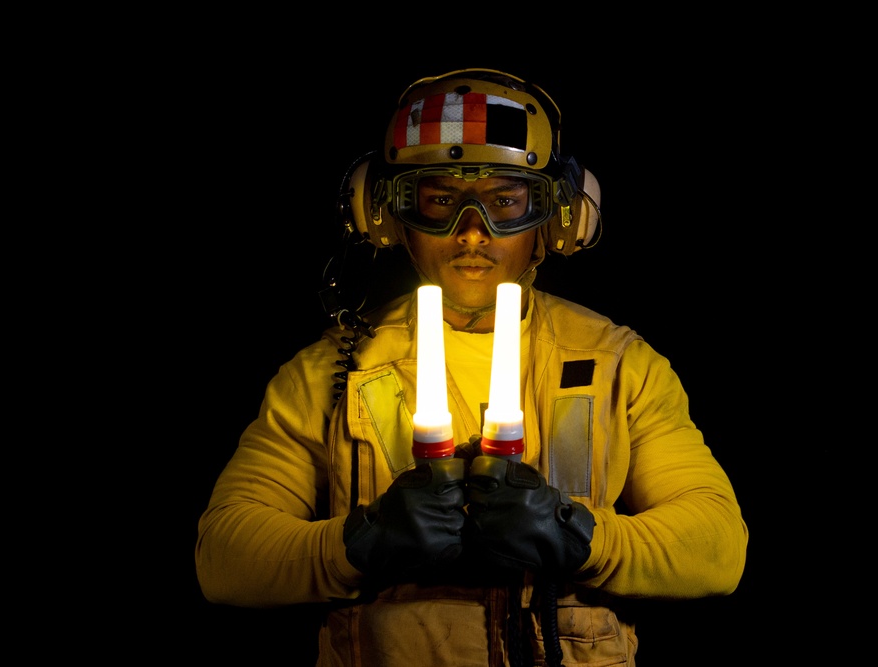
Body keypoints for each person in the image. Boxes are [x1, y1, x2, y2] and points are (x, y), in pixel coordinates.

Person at [196, 68, 749, 666]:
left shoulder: (619, 365)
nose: (470, 235)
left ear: (559, 218)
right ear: (385, 214)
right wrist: (357, 545)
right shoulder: (328, 372)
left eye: (505, 202)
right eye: (438, 201)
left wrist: (579, 536)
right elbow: (224, 559)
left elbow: (718, 548)